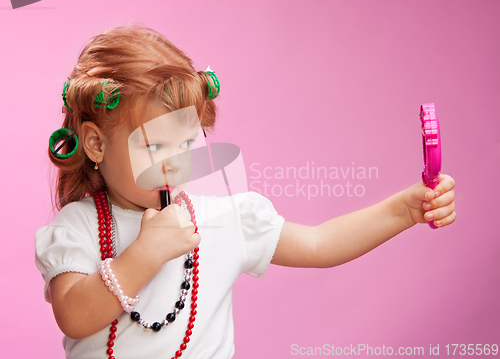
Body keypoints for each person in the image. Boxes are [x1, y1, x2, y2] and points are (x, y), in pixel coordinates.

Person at [35, 24, 456, 359]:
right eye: (152, 145)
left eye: (185, 143)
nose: (173, 162)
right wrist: (144, 254)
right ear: (95, 143)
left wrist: (404, 210)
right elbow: (73, 315)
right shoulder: (78, 226)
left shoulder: (223, 219)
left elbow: (318, 243)